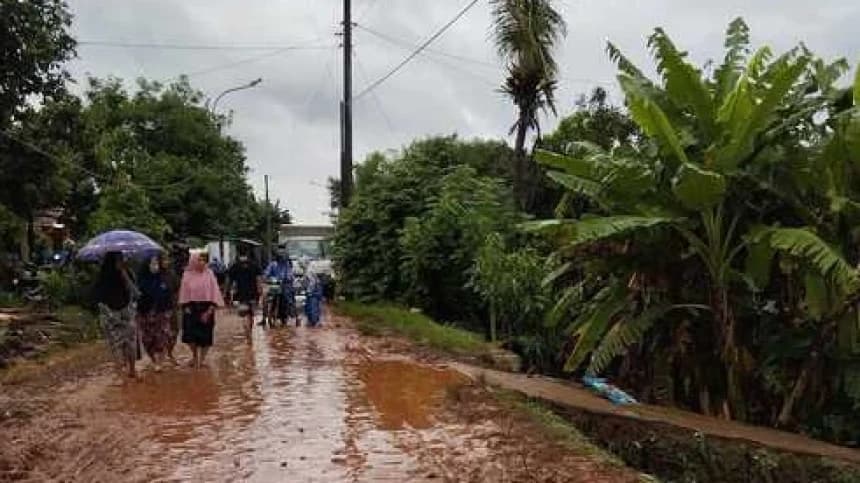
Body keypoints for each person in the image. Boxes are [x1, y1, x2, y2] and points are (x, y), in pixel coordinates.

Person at [93, 251, 138, 378]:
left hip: (126, 312)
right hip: (110, 315)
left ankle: (132, 370)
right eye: (118, 259)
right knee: (116, 345)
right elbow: (97, 297)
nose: (121, 262)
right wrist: (106, 311)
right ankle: (120, 373)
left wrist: (124, 275)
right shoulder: (103, 277)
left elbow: (136, 293)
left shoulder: (127, 273)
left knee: (130, 343)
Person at [179, 251, 224, 368]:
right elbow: (184, 292)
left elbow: (215, 292)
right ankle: (194, 356)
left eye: (204, 260)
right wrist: (185, 306)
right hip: (191, 307)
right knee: (189, 335)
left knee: (206, 335)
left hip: (207, 307)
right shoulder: (187, 274)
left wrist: (210, 310)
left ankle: (202, 359)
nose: (202, 263)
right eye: (199, 260)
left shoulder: (210, 274)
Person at [136, 254, 174, 371]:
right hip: (145, 312)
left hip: (162, 312)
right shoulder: (141, 280)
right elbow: (137, 296)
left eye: (156, 263)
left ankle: (160, 362)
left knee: (163, 337)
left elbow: (170, 294)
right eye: (152, 263)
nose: (155, 266)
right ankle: (153, 359)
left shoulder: (165, 278)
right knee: (147, 339)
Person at [228, 250, 263, 341]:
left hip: (240, 293)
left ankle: (247, 330)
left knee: (243, 313)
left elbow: (230, 280)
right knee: (251, 313)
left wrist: (228, 292)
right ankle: (249, 331)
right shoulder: (254, 265)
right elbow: (258, 279)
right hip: (253, 293)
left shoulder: (235, 266)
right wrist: (260, 290)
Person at [264, 248, 295, 326]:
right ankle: (264, 318)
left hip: (285, 286)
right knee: (265, 299)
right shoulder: (272, 264)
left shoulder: (287, 265)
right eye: (280, 257)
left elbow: (290, 275)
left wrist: (287, 278)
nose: (282, 258)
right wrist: (268, 278)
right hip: (274, 286)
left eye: (283, 256)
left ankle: (293, 314)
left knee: (289, 299)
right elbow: (266, 274)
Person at [160, 256, 181, 363]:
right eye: (163, 260)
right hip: (159, 308)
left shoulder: (172, 274)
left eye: (167, 259)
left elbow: (178, 288)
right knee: (162, 333)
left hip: (172, 306)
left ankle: (170, 352)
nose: (166, 262)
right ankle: (160, 356)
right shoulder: (155, 275)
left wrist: (177, 301)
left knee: (175, 330)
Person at [299, 257, 323, 328]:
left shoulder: (309, 270)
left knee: (313, 306)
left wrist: (309, 291)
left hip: (314, 290)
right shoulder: (307, 270)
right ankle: (312, 321)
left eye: (301, 264)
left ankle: (315, 322)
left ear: (305, 263)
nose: (300, 265)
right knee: (310, 305)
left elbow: (312, 282)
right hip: (315, 290)